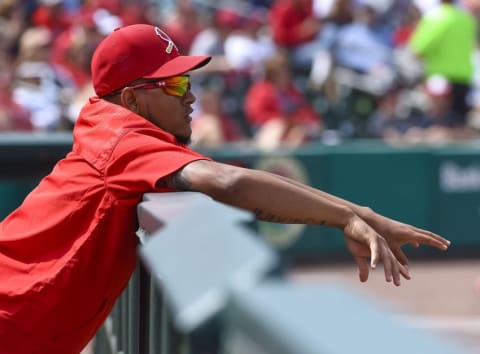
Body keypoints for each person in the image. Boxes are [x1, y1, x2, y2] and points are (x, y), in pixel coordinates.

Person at [0, 24, 451, 354]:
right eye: (174, 84)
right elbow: (229, 182)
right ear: (134, 98)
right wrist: (349, 217)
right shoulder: (124, 135)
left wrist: (361, 214)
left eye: (188, 81)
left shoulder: (118, 126)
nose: (190, 96)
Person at [408, 0, 478, 127]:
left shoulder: (435, 17)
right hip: (463, 77)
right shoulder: (466, 19)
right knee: (459, 123)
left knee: (437, 123)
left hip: (440, 79)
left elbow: (419, 49)